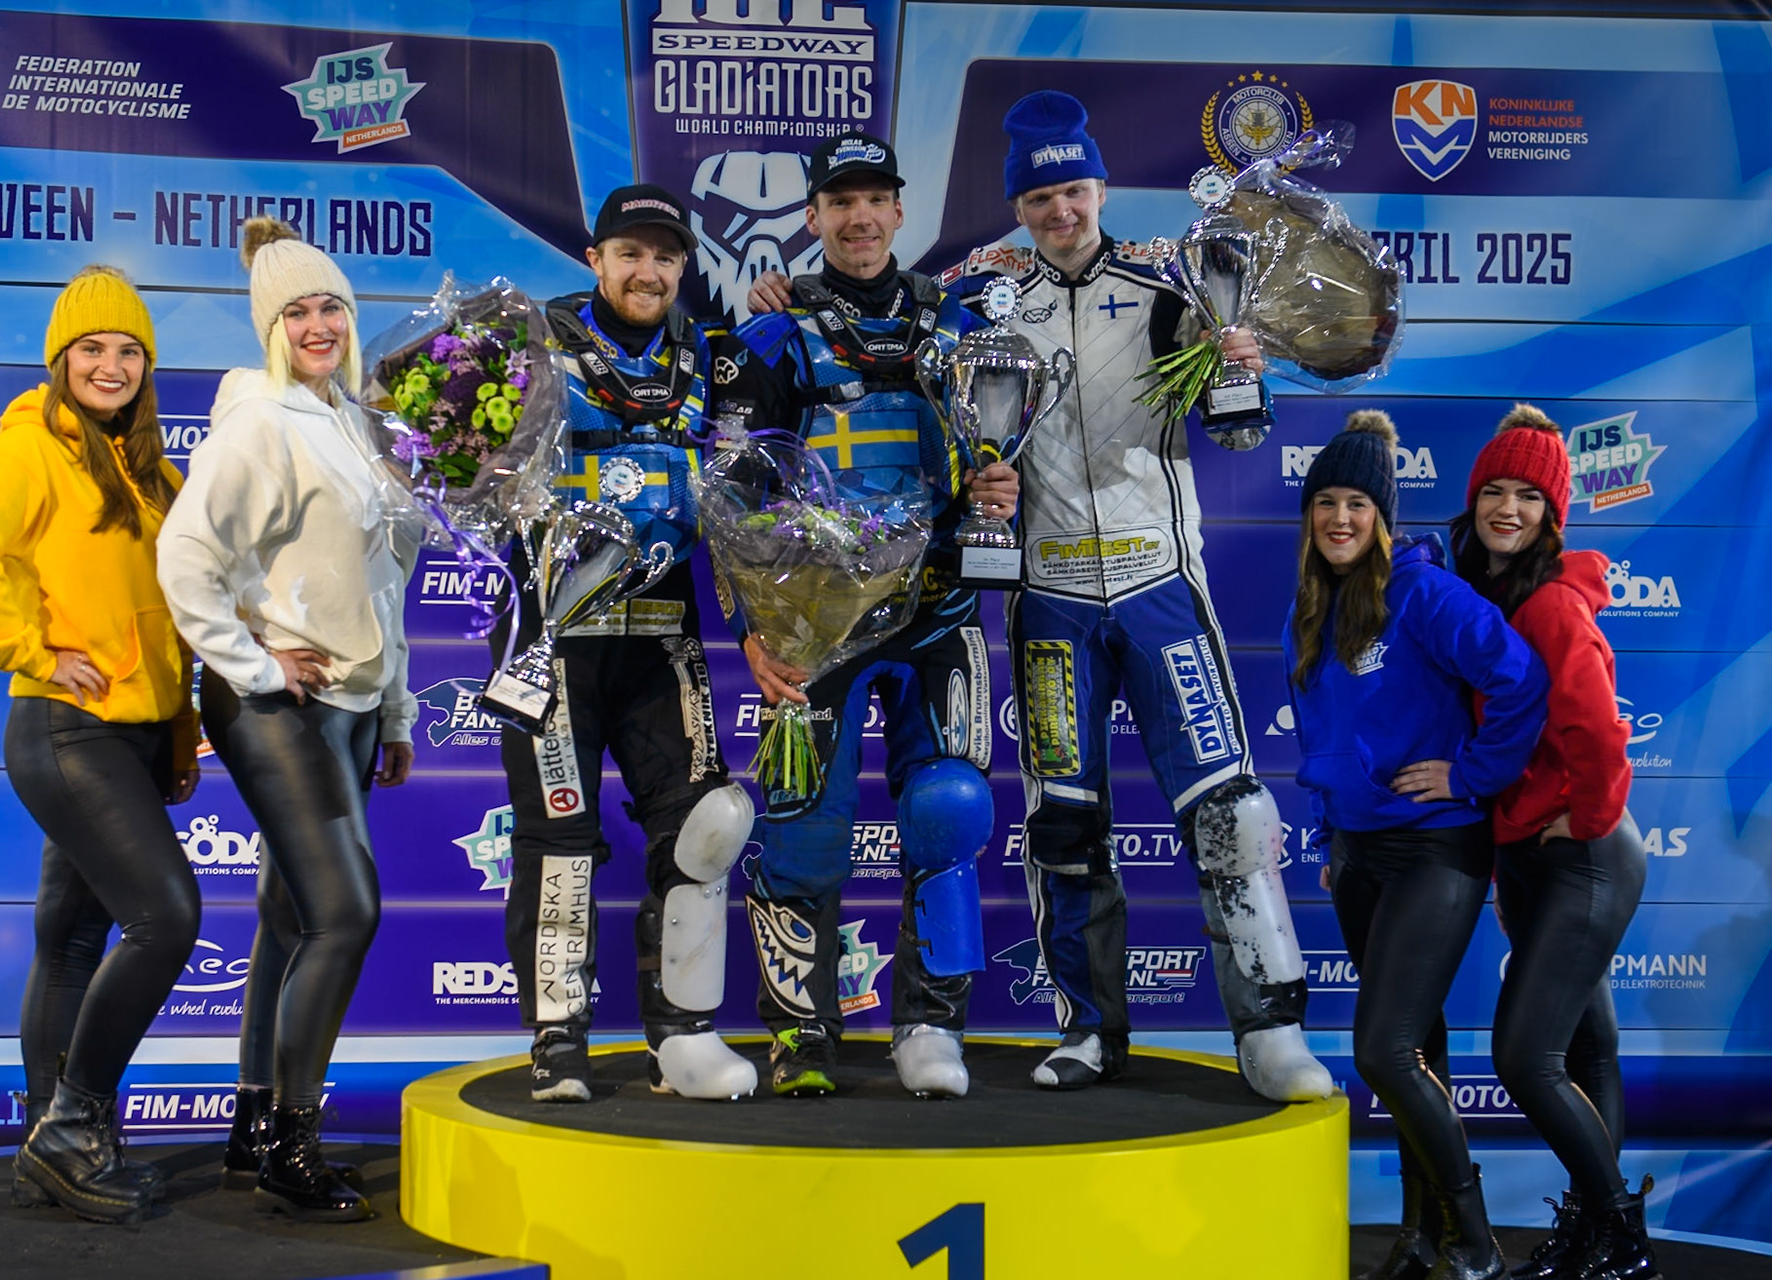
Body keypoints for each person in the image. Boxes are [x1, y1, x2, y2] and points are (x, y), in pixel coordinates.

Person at [749, 92, 1330, 1099]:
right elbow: (878, 353)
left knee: (1230, 812)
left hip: (1158, 585)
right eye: (1039, 194)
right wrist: (774, 295)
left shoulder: (1170, 287)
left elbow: (1238, 434)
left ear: (1099, 188)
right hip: (1046, 597)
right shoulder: (980, 299)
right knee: (1062, 819)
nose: (1059, 210)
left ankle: (1270, 1026)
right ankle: (1091, 1028)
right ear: (1015, 205)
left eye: (1073, 189)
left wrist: (1242, 367)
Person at [722, 132, 1019, 1099]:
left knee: (951, 810)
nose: (857, 218)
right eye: (837, 202)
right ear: (812, 218)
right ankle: (801, 1035)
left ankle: (931, 1027)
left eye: (874, 200)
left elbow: (1002, 439)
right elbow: (730, 491)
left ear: (900, 211)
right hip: (817, 628)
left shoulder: (958, 324)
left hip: (938, 606)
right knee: (805, 828)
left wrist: (1002, 489)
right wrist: (751, 627)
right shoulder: (773, 331)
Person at [0, 266, 199, 1225]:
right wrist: (33, 648)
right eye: (92, 349)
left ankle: (56, 1140)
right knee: (167, 917)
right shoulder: (27, 453)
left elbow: (174, 617)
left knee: (73, 936)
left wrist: (180, 732)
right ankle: (72, 1127)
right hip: (64, 726)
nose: (111, 365)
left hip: (132, 736)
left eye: (129, 350)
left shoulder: (160, 475)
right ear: (60, 362)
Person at [158, 218, 417, 1222]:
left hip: (350, 699)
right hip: (274, 699)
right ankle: (293, 1144)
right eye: (298, 310)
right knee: (345, 912)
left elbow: (383, 579)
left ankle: (251, 1117)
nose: (318, 323)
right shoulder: (257, 421)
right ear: (271, 325)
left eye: (332, 307)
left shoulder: (353, 418)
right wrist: (252, 659)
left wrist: (394, 704)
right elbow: (185, 555)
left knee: (290, 913)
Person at [501, 184, 758, 1105]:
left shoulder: (716, 361)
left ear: (684, 269)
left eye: (666, 258)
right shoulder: (529, 344)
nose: (647, 273)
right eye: (630, 254)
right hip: (555, 639)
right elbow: (463, 466)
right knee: (560, 844)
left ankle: (684, 1036)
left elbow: (750, 499)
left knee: (700, 833)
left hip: (662, 635)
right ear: (595, 258)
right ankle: (557, 1041)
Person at [1285, 410, 1547, 1280]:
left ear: (1385, 517)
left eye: (1357, 503)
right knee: (1418, 1055)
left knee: (1383, 1050)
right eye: (1325, 502)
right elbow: (1327, 733)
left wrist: (1469, 775)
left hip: (1436, 848)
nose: (1340, 520)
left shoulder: (1427, 595)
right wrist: (1331, 831)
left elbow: (1519, 680)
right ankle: (1419, 1238)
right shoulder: (1314, 607)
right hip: (1360, 854)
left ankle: (1477, 1247)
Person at [1450, 406, 1654, 1280]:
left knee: (1523, 1056)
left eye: (1527, 496)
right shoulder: (1487, 592)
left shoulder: (1551, 602)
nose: (1506, 508)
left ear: (1552, 512)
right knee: (1583, 1049)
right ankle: (1593, 1234)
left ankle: (1623, 1236)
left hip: (1585, 854)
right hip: (1535, 854)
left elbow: (1601, 731)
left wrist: (1591, 817)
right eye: (1492, 490)